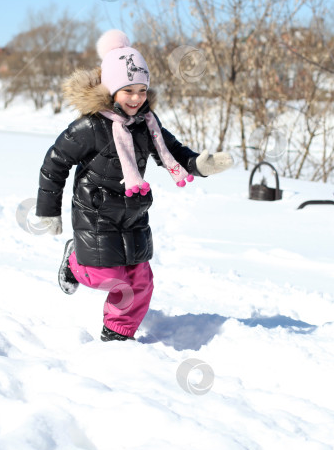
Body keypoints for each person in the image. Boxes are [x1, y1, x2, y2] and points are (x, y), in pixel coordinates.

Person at [35, 30, 233, 342]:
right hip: (95, 213)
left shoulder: (146, 125)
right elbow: (55, 162)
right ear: (112, 89)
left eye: (142, 89)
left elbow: (175, 152)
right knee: (107, 276)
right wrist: (49, 210)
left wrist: (199, 165)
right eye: (128, 90)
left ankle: (118, 331)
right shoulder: (90, 127)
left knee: (141, 281)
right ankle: (74, 258)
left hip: (133, 211)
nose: (137, 97)